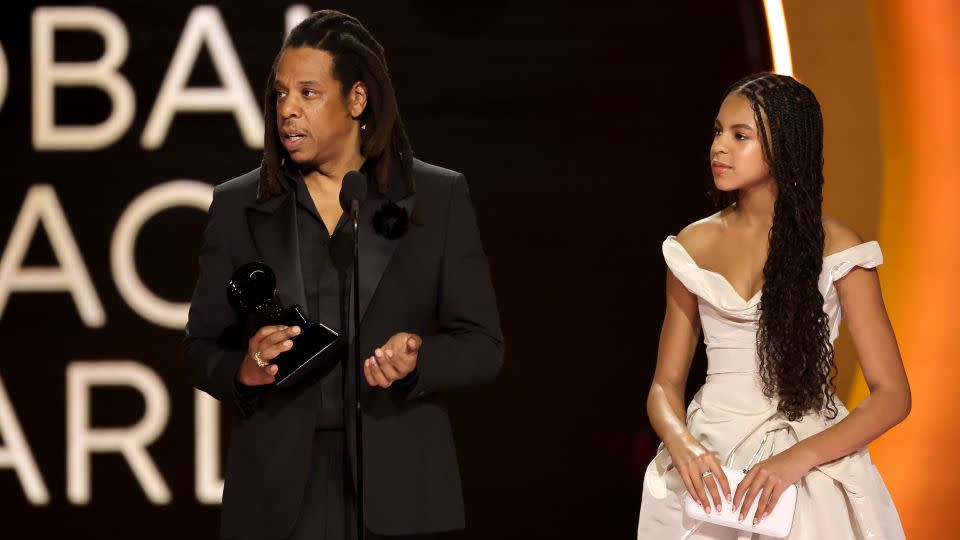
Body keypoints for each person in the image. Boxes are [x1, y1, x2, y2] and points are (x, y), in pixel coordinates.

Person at [183, 10, 504, 540]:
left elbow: (483, 344)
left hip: (402, 489)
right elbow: (198, 348)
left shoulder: (436, 198)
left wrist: (418, 356)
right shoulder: (239, 205)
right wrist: (246, 368)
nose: (288, 110)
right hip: (279, 494)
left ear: (357, 100)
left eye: (308, 93)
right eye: (280, 94)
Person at [636, 73, 910, 539]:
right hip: (709, 463)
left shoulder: (839, 249)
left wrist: (795, 460)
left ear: (783, 145)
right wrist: (682, 445)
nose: (719, 147)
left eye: (740, 136)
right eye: (718, 131)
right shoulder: (692, 244)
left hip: (807, 463)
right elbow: (665, 384)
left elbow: (892, 395)